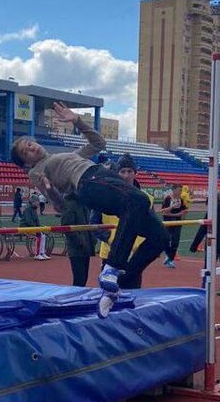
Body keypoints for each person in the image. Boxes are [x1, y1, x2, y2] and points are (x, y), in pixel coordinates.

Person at [11, 103, 166, 314]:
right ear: (26, 163)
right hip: (89, 182)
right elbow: (60, 204)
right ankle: (111, 268)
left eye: (29, 143)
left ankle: (118, 285)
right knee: (139, 200)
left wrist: (77, 121)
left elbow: (98, 142)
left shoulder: (69, 155)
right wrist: (52, 190)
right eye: (25, 151)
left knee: (161, 237)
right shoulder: (37, 171)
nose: (31, 147)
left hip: (104, 178)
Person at [97, 158, 152, 287]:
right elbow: (94, 224)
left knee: (133, 294)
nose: (126, 175)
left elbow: (151, 227)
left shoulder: (146, 199)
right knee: (108, 293)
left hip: (134, 255)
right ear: (117, 173)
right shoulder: (104, 196)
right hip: (110, 254)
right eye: (122, 171)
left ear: (135, 173)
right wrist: (111, 238)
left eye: (129, 171)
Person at [60, 192, 93, 287]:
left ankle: (79, 298)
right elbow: (66, 226)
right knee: (79, 279)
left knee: (83, 278)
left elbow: (88, 223)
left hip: (86, 246)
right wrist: (80, 241)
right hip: (76, 249)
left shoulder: (84, 203)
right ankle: (75, 299)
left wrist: (91, 239)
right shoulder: (69, 204)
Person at [160, 178, 188, 268]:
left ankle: (170, 259)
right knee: (167, 240)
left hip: (177, 223)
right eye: (179, 190)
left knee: (175, 242)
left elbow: (184, 211)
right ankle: (168, 257)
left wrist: (183, 214)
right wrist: (173, 208)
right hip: (168, 222)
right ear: (174, 190)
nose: (180, 192)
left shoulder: (181, 200)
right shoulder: (168, 199)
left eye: (181, 190)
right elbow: (163, 211)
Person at [21, 192, 48, 258]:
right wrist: (36, 228)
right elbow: (28, 221)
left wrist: (40, 227)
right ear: (33, 202)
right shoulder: (28, 209)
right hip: (25, 227)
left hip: (32, 227)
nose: (38, 203)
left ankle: (42, 252)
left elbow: (36, 220)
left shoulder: (34, 209)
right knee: (39, 235)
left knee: (43, 235)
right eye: (37, 201)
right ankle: (37, 254)